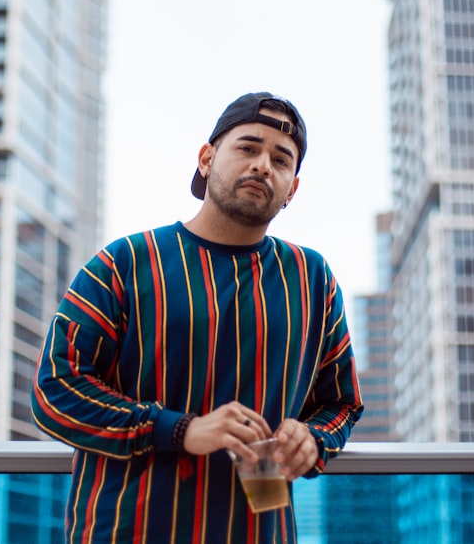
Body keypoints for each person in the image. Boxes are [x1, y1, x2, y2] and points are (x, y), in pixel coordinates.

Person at [32, 91, 363, 543]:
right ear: (207, 158)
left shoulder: (312, 279)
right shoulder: (125, 262)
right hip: (127, 532)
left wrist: (314, 438)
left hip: (259, 531)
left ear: (293, 189)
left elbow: (341, 403)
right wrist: (178, 429)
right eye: (248, 148)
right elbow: (54, 390)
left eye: (281, 159)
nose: (263, 165)